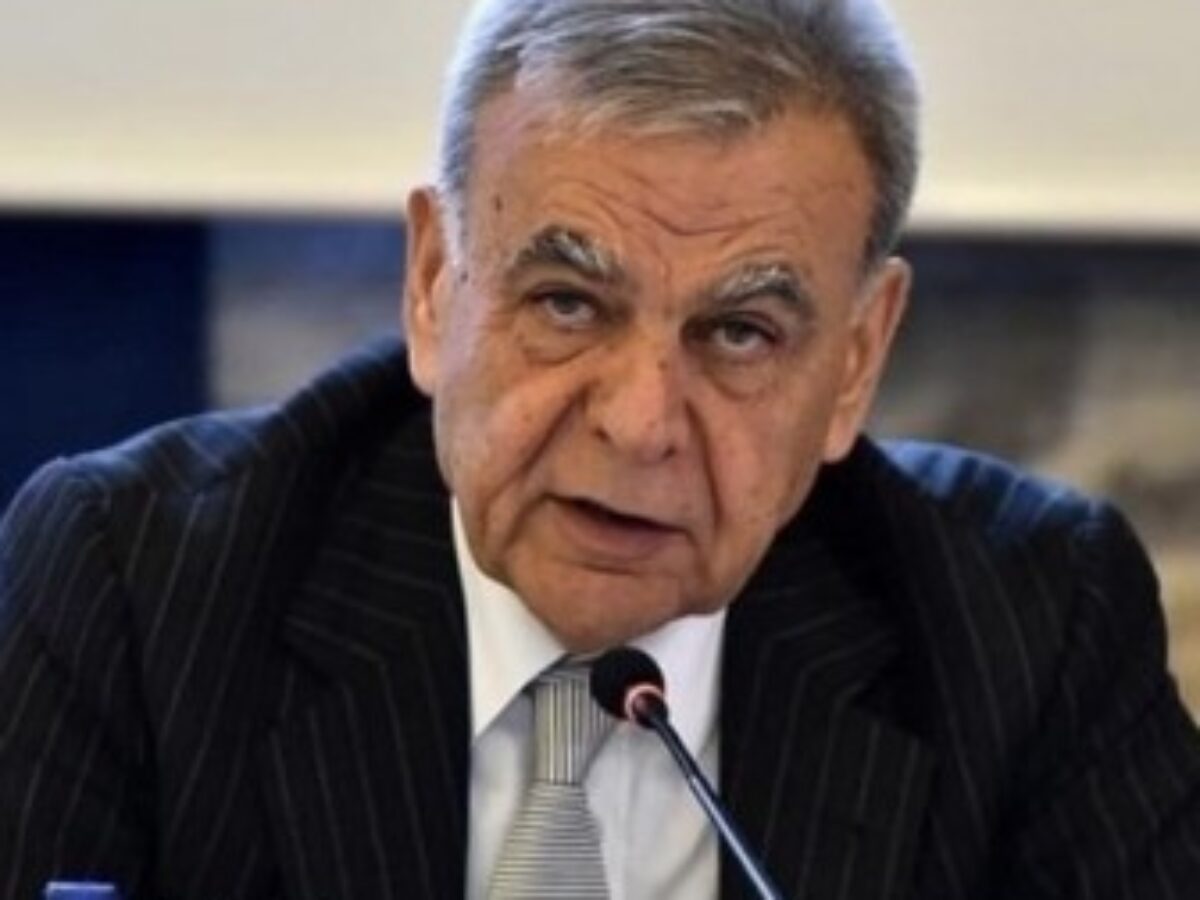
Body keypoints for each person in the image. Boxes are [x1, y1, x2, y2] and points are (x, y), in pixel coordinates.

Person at [3, 0, 1199, 897]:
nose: (638, 421)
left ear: (855, 360)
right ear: (433, 284)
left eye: (739, 332)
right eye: (569, 303)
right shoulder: (134, 586)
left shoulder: (1031, 627)